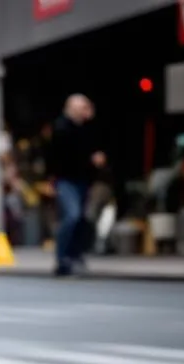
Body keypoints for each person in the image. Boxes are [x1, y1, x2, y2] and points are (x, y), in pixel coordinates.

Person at [47, 94, 106, 276]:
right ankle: (63, 257)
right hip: (66, 180)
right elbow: (65, 156)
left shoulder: (86, 128)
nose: (85, 112)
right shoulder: (62, 127)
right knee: (72, 216)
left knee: (81, 219)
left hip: (82, 180)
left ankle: (75, 255)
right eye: (82, 108)